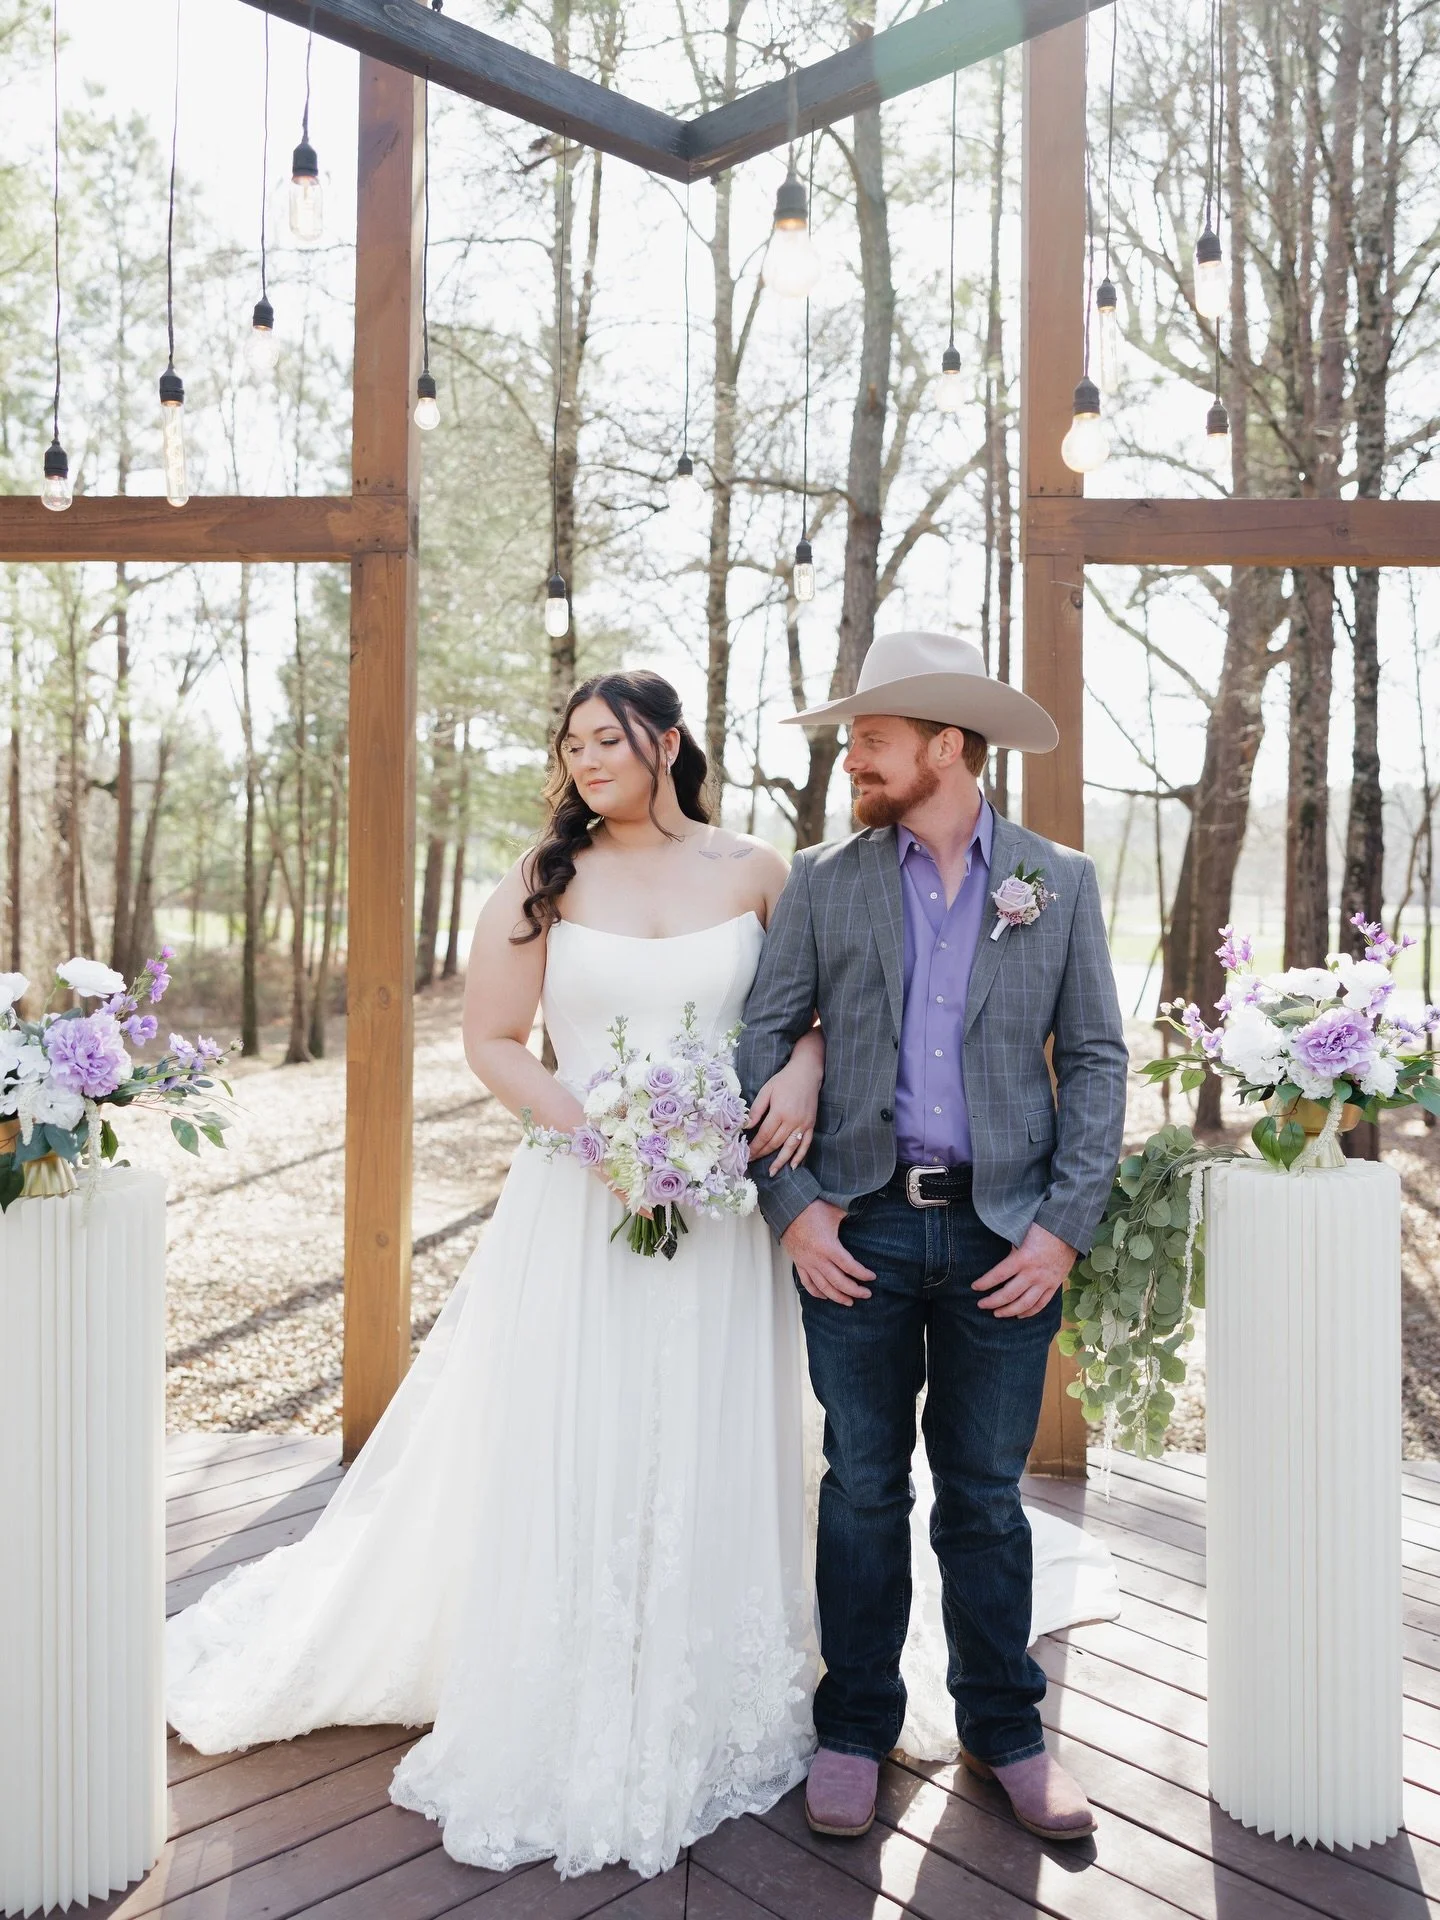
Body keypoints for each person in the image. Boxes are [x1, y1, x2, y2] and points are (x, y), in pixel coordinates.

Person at [167, 664, 1118, 1881]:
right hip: (614, 1201)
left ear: (666, 743)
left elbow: (810, 1019)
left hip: (745, 1217)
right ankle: (731, 1698)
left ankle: (952, 1715)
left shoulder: (782, 870)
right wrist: (604, 1136)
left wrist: (814, 1080)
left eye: (603, 739)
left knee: (822, 1456)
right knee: (719, 1455)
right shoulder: (559, 880)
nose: (582, 761)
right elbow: (491, 1039)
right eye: (568, 745)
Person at [739, 630, 1129, 1845]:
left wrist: (1064, 1229)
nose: (851, 758)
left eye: (871, 740)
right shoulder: (823, 878)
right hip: (854, 1229)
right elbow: (763, 1037)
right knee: (861, 1488)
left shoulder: (1057, 880)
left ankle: (1007, 1730)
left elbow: (1102, 1058)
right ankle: (853, 1726)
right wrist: (793, 1210)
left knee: (984, 1498)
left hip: (1006, 1238)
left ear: (945, 748)